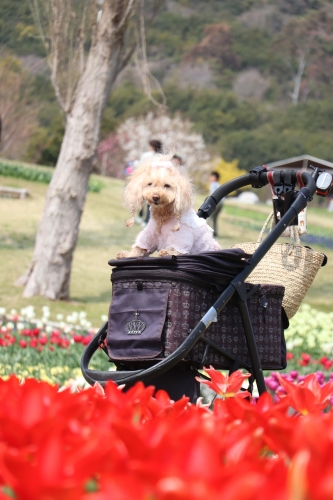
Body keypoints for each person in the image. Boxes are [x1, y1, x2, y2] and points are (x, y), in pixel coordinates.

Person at [136, 139, 163, 226]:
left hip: (145, 180)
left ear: (152, 146)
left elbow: (139, 166)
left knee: (141, 199)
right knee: (150, 202)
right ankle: (146, 220)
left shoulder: (146, 155)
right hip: (156, 182)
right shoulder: (162, 157)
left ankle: (140, 217)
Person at [207, 171, 223, 237]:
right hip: (221, 203)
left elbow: (212, 195)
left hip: (216, 202)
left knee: (209, 217)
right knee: (215, 218)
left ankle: (207, 233)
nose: (210, 178)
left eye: (211, 177)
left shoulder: (213, 184)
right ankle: (215, 233)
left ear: (215, 178)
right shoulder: (219, 184)